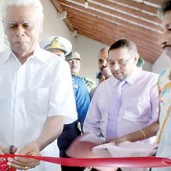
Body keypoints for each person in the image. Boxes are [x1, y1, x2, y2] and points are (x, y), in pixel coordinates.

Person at [0, 0, 77, 170]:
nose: (20, 32)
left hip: (42, 164)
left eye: (27, 25)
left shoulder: (57, 67)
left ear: (40, 25)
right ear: (4, 26)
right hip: (0, 164)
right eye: (13, 26)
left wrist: (37, 145)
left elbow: (57, 117)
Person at [66, 39, 159, 171]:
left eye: (122, 62)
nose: (115, 68)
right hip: (105, 159)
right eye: (111, 62)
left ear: (135, 58)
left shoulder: (152, 82)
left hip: (139, 160)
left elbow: (159, 124)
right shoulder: (103, 87)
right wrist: (90, 147)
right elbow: (92, 124)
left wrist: (123, 140)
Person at [40, 36, 90, 160]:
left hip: (68, 137)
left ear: (64, 59)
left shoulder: (77, 84)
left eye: (59, 55)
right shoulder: (36, 80)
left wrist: (88, 143)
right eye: (50, 55)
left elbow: (85, 115)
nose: (54, 59)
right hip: (41, 136)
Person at [152, 1, 171, 170]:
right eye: (162, 30)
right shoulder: (164, 77)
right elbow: (162, 123)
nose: (162, 39)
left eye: (170, 29)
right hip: (162, 162)